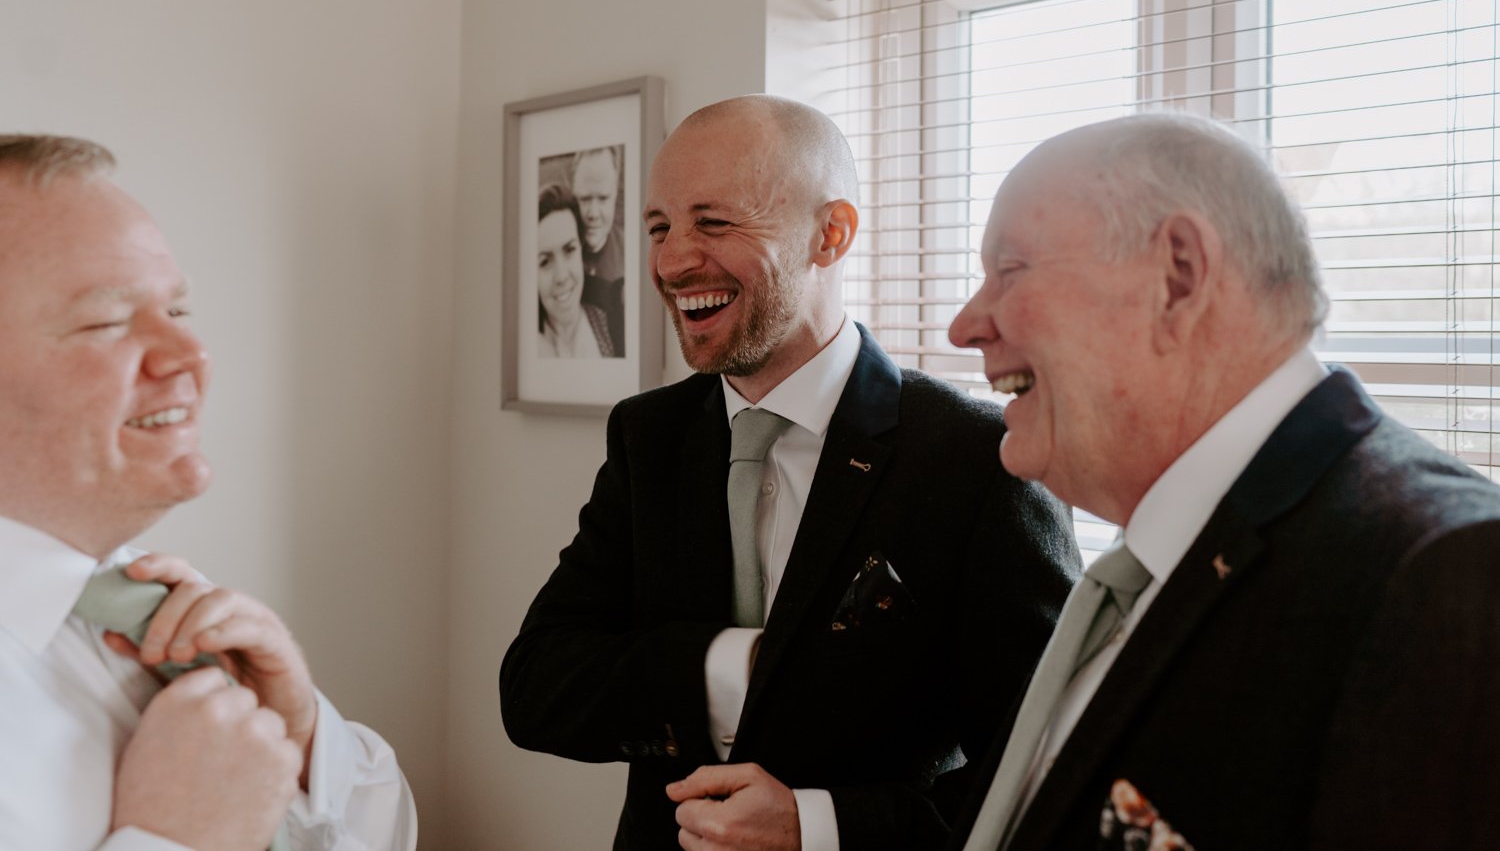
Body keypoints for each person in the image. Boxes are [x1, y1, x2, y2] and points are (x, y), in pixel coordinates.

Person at [501, 95, 1080, 851]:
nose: (673, 260)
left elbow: (1045, 775)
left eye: (713, 223)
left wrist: (818, 827)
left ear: (830, 235)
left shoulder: (979, 459)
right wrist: (733, 668)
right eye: (658, 228)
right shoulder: (649, 435)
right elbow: (538, 689)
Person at [945, 112, 1500, 850]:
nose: (965, 324)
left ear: (1178, 274)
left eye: (1009, 270)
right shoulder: (1140, 576)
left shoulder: (1445, 578)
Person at [0, 135, 417, 850]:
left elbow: (387, 833)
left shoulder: (155, 618)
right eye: (105, 322)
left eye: (179, 312)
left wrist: (303, 742)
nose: (191, 356)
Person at [537, 180, 622, 358]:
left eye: (569, 250)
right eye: (544, 262)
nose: (561, 276)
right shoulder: (525, 346)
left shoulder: (614, 325)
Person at [572, 144, 625, 283]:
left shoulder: (630, 252)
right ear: (573, 194)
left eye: (603, 198)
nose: (593, 214)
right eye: (584, 198)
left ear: (614, 195)